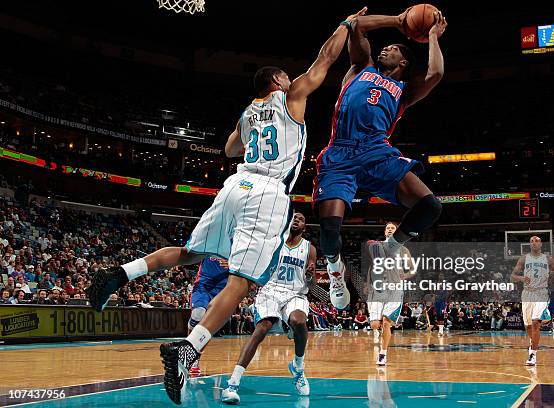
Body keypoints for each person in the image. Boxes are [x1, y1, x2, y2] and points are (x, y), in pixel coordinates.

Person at [86, 8, 364, 405]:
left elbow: (230, 148)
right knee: (242, 282)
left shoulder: (249, 111)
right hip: (267, 192)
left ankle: (119, 273)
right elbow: (325, 60)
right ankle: (187, 349)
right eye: (284, 76)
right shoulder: (291, 95)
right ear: (277, 81)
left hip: (235, 184)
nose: (290, 77)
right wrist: (346, 25)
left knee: (189, 253)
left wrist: (250, 130)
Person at [313, 7, 447, 309]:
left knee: (430, 206)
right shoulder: (362, 68)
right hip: (341, 151)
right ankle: (335, 272)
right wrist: (398, 21)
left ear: (403, 62)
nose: (385, 48)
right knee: (330, 230)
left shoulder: (404, 90)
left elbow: (436, 73)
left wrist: (433, 36)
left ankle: (389, 247)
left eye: (394, 48)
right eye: (385, 46)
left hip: (377, 151)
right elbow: (358, 26)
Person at [221, 212, 316, 404]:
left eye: (301, 219)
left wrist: (309, 276)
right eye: (294, 217)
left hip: (295, 293)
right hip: (271, 290)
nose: (297, 220)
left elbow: (311, 284)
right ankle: (233, 384)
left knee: (299, 321)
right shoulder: (274, 242)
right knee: (262, 328)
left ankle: (298, 367)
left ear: (304, 227)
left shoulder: (309, 248)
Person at [365, 222, 413, 366]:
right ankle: (377, 331)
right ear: (385, 232)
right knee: (374, 324)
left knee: (387, 323)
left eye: (393, 228)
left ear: (397, 231)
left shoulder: (403, 249)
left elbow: (412, 269)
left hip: (395, 288)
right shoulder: (377, 246)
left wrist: (406, 275)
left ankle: (382, 354)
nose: (390, 230)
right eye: (388, 228)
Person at [511, 236, 554, 366]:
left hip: (541, 292)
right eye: (531, 241)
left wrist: (550, 273)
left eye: (536, 240)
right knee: (528, 326)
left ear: (541, 244)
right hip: (527, 293)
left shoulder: (548, 259)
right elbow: (513, 276)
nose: (534, 243)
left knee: (535, 324)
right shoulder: (524, 258)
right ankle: (534, 343)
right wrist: (521, 278)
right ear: (529, 244)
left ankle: (532, 354)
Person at [188, 256, 229, 376]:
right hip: (203, 285)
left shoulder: (239, 242)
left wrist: (233, 265)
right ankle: (190, 336)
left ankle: (195, 357)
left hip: (223, 289)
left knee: (209, 327)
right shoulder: (210, 238)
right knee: (198, 314)